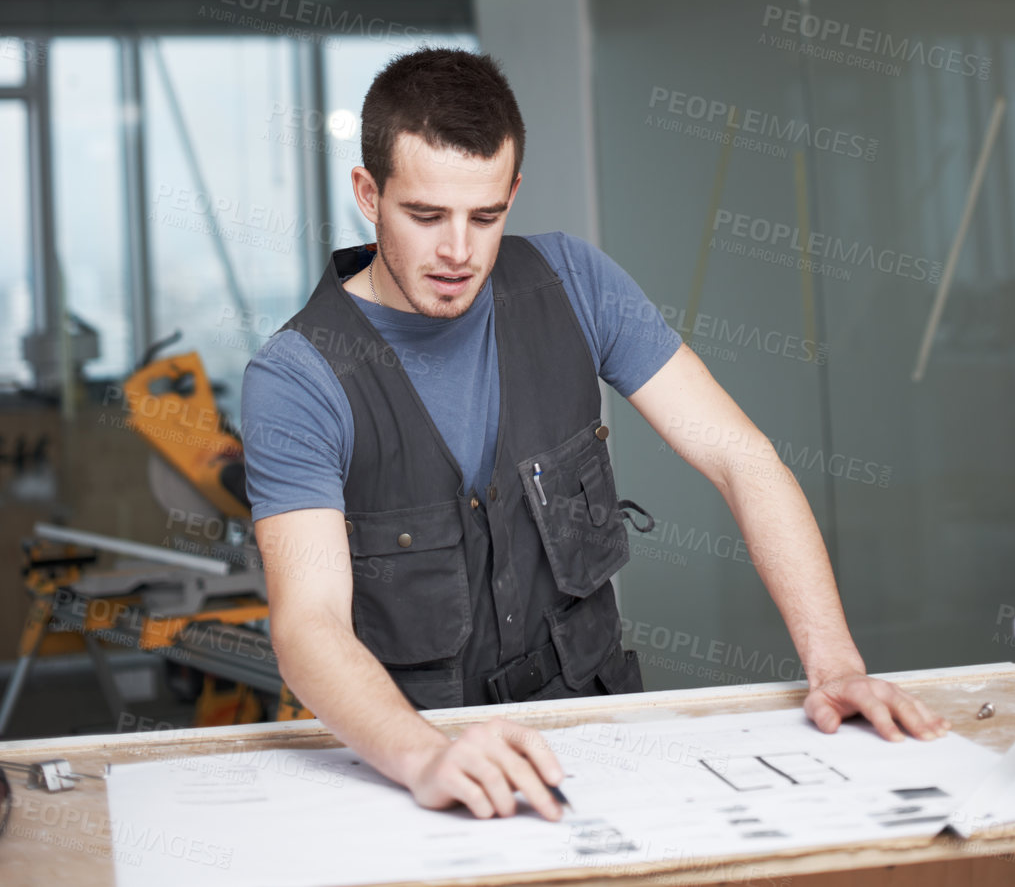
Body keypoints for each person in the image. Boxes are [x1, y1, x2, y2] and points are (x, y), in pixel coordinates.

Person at [242, 48, 948, 826]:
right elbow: (306, 623)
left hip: (594, 742)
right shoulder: (298, 377)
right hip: (409, 763)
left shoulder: (573, 283)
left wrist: (834, 664)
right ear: (367, 194)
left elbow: (740, 457)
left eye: (485, 216)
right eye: (424, 214)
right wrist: (422, 755)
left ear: (513, 192)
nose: (457, 251)